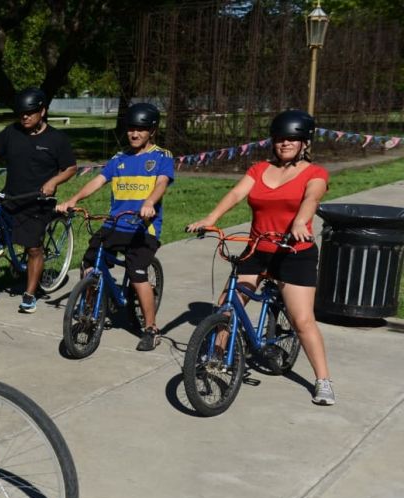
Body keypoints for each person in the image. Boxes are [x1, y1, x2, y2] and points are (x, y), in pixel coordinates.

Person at [186, 109, 335, 405]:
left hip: (294, 252)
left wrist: (298, 223)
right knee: (226, 308)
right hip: (257, 250)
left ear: (305, 142)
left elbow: (311, 198)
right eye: (280, 138)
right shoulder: (258, 170)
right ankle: (215, 358)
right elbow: (235, 194)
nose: (285, 143)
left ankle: (323, 380)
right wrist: (210, 218)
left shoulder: (315, 173)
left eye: (292, 139)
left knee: (302, 320)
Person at [56, 102, 173, 351]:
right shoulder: (119, 158)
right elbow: (97, 181)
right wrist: (73, 200)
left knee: (137, 272)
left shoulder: (161, 157)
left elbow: (162, 183)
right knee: (89, 263)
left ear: (151, 131)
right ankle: (90, 310)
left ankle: (151, 329)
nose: (134, 134)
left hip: (143, 228)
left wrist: (150, 202)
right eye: (131, 128)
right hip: (115, 224)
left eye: (141, 129)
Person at [0, 87, 77, 313]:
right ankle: (2, 240)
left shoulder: (56, 139)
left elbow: (70, 168)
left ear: (42, 111)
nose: (24, 116)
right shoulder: (11, 132)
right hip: (11, 195)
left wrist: (54, 181)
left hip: (38, 201)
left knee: (33, 248)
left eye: (30, 112)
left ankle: (30, 294)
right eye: (21, 112)